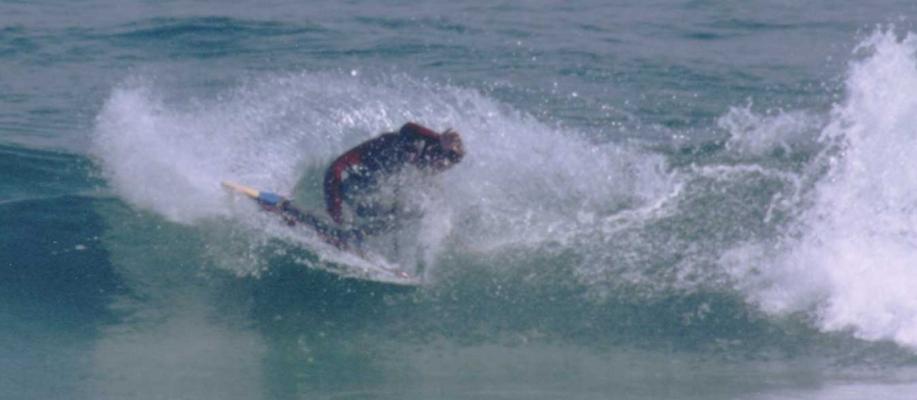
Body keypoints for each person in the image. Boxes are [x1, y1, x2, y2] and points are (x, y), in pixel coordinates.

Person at [323, 122, 465, 242]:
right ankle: (347, 231)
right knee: (378, 188)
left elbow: (437, 204)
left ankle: (355, 235)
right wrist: (334, 207)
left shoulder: (426, 162)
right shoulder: (393, 145)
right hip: (351, 189)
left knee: (418, 208)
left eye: (445, 168)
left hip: (372, 197)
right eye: (440, 165)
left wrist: (450, 234)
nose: (439, 170)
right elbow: (336, 167)